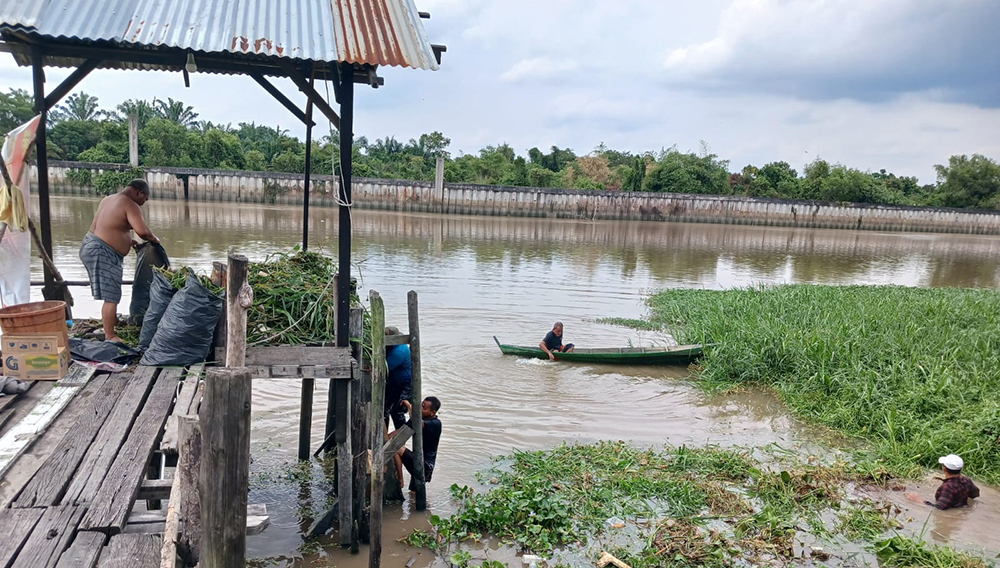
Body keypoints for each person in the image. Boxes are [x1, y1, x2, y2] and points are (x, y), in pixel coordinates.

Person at [79, 179, 159, 343]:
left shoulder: (109, 199)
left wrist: (127, 241)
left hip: (91, 245)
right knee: (112, 296)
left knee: (112, 291)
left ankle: (113, 321)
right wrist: (155, 240)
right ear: (140, 193)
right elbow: (142, 231)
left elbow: (111, 226)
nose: (144, 202)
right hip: (102, 251)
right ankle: (110, 335)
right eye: (145, 198)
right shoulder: (130, 204)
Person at [392, 396, 442, 492]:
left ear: (433, 413)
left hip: (426, 466)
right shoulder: (415, 420)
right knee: (414, 494)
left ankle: (400, 480)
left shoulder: (435, 423)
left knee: (396, 448)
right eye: (420, 406)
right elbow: (398, 433)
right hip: (416, 459)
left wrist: (409, 406)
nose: (420, 409)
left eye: (424, 408)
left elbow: (418, 423)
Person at [906, 454, 980, 510]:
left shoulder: (947, 487)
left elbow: (939, 508)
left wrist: (919, 500)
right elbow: (975, 494)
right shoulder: (966, 480)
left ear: (944, 468)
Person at [385, 326, 412, 429]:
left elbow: (383, 368)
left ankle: (400, 441)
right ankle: (384, 437)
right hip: (393, 383)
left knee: (397, 411)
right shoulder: (392, 348)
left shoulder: (399, 351)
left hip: (404, 385)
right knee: (385, 409)